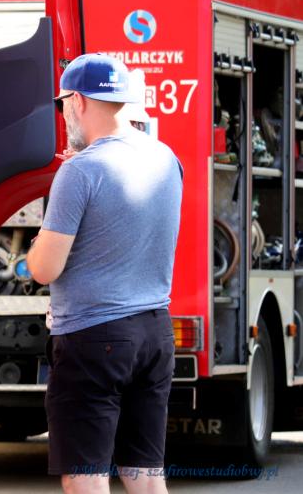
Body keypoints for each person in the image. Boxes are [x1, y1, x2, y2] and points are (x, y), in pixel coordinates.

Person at [27, 53, 183, 494]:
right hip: (154, 332)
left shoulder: (80, 170)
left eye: (63, 104)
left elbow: (44, 268)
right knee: (145, 474)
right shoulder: (164, 158)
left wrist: (38, 241)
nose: (63, 115)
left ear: (77, 101)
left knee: (84, 475)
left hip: (93, 338)